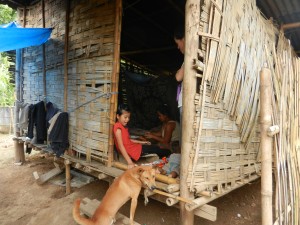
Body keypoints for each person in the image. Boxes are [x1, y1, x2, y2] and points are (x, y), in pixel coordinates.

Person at [113, 104, 171, 169]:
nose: (127, 120)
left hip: (135, 148)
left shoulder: (122, 127)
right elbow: (121, 146)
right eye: (125, 117)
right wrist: (129, 162)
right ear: (118, 116)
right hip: (134, 151)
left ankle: (167, 156)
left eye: (129, 117)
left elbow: (128, 140)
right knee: (159, 149)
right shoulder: (118, 129)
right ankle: (170, 155)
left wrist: (142, 142)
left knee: (154, 147)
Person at [174, 23, 185, 123]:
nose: (178, 47)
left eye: (178, 43)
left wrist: (178, 72)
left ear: (184, 39)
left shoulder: (189, 58)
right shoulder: (186, 61)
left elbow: (178, 77)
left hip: (186, 105)